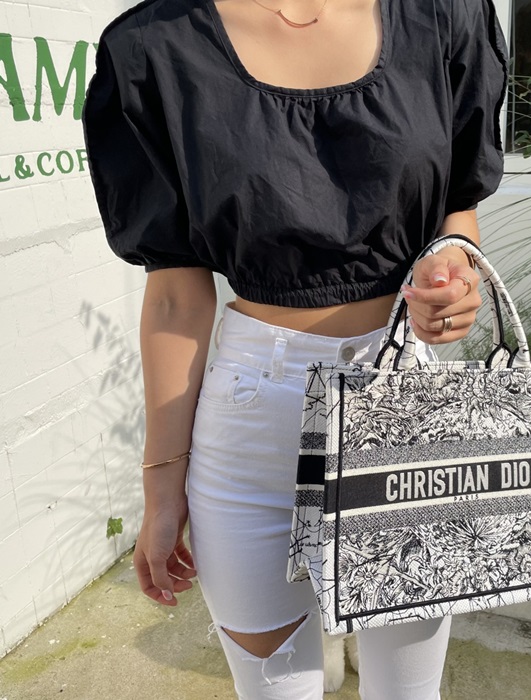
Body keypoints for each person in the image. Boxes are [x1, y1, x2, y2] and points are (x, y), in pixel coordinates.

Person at [82, 0, 507, 697]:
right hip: (250, 426)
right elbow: (175, 295)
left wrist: (455, 271)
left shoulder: (442, 15)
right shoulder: (153, 46)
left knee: (407, 693)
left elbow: (456, 206)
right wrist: (160, 492)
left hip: (403, 406)